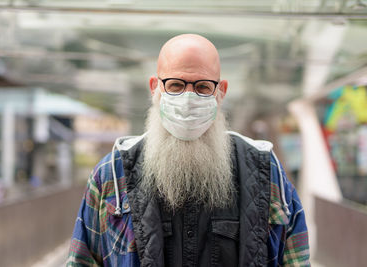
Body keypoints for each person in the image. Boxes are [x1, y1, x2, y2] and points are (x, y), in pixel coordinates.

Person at [67, 34, 310, 267]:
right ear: (155, 88)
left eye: (203, 87)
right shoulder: (111, 174)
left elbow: (296, 259)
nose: (188, 99)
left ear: (221, 91)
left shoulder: (264, 170)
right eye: (175, 85)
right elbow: (82, 260)